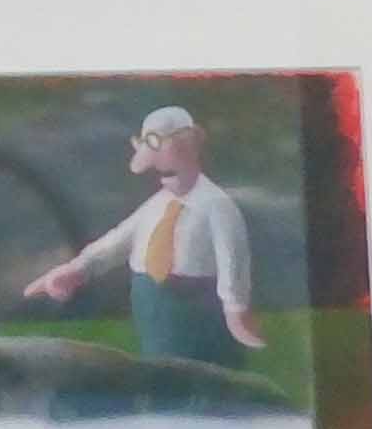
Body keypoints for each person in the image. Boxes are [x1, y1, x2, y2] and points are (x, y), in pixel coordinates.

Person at [16, 106, 261, 373]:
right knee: (161, 365)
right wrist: (77, 269)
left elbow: (232, 257)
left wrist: (235, 307)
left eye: (171, 166)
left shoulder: (216, 205)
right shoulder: (156, 206)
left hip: (197, 301)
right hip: (152, 300)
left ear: (193, 149)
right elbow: (117, 241)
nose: (164, 175)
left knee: (208, 370)